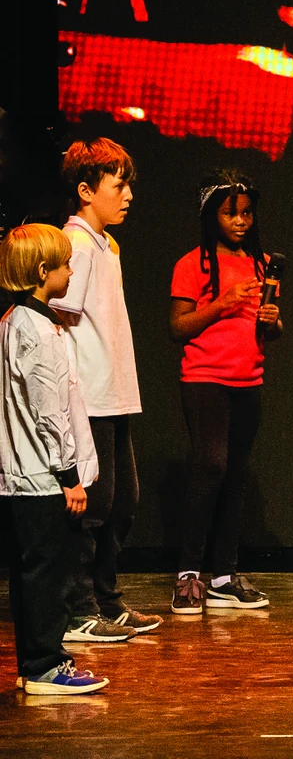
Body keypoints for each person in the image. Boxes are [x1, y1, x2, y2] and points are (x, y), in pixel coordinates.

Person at [50, 138, 163, 640]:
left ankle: (106, 598)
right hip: (88, 396)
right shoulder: (74, 243)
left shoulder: (103, 244)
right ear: (85, 190)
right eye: (118, 185)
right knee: (93, 508)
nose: (129, 195)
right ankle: (78, 611)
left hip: (112, 393)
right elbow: (58, 313)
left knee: (122, 502)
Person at [1, 224, 109, 693]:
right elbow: (50, 411)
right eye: (65, 263)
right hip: (44, 477)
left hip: (22, 474)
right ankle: (45, 662)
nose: (71, 270)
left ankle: (37, 661)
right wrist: (70, 477)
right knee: (49, 573)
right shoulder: (38, 330)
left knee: (33, 572)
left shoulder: (12, 320)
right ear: (43, 271)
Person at [168, 170, 282, 614]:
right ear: (211, 214)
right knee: (209, 468)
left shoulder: (262, 264)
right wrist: (222, 304)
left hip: (248, 380)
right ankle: (188, 573)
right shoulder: (192, 263)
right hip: (205, 379)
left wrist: (272, 321)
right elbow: (177, 327)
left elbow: (269, 330)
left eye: (247, 213)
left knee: (235, 477)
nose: (240, 221)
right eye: (230, 212)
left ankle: (223, 575)